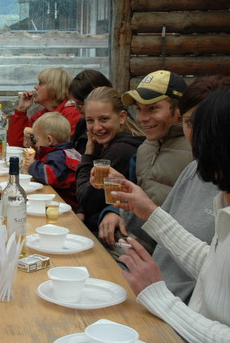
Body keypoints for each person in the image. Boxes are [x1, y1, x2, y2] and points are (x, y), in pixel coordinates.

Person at [114, 86, 230, 343]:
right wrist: (149, 212)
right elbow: (213, 267)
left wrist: (158, 295)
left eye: (196, 126)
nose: (192, 138)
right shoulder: (217, 195)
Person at [146, 76, 229, 303]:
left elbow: (214, 273)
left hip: (171, 301)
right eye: (189, 123)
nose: (197, 134)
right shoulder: (193, 168)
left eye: (153, 108)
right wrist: (124, 208)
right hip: (157, 292)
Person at [100, 70, 192, 249]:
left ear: (179, 110)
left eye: (153, 108)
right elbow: (138, 196)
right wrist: (114, 210)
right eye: (139, 109)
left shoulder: (197, 154)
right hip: (131, 243)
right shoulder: (145, 147)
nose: (142, 118)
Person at [75, 87, 145, 231]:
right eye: (90, 120)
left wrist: (88, 156)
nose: (97, 128)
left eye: (104, 119)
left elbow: (87, 199)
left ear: (122, 117)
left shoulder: (120, 150)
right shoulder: (106, 144)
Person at [7, 67, 81, 148]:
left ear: (54, 88)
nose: (35, 87)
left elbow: (65, 149)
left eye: (40, 84)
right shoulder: (41, 114)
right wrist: (21, 110)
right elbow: (16, 145)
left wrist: (34, 144)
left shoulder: (72, 114)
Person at [22, 112, 81, 209]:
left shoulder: (59, 156)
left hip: (67, 203)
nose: (36, 145)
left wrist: (33, 165)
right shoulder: (66, 152)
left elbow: (51, 176)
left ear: (49, 140)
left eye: (37, 141)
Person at [68, 69, 112, 154]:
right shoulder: (82, 123)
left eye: (80, 104)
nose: (75, 108)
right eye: (90, 120)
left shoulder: (118, 146)